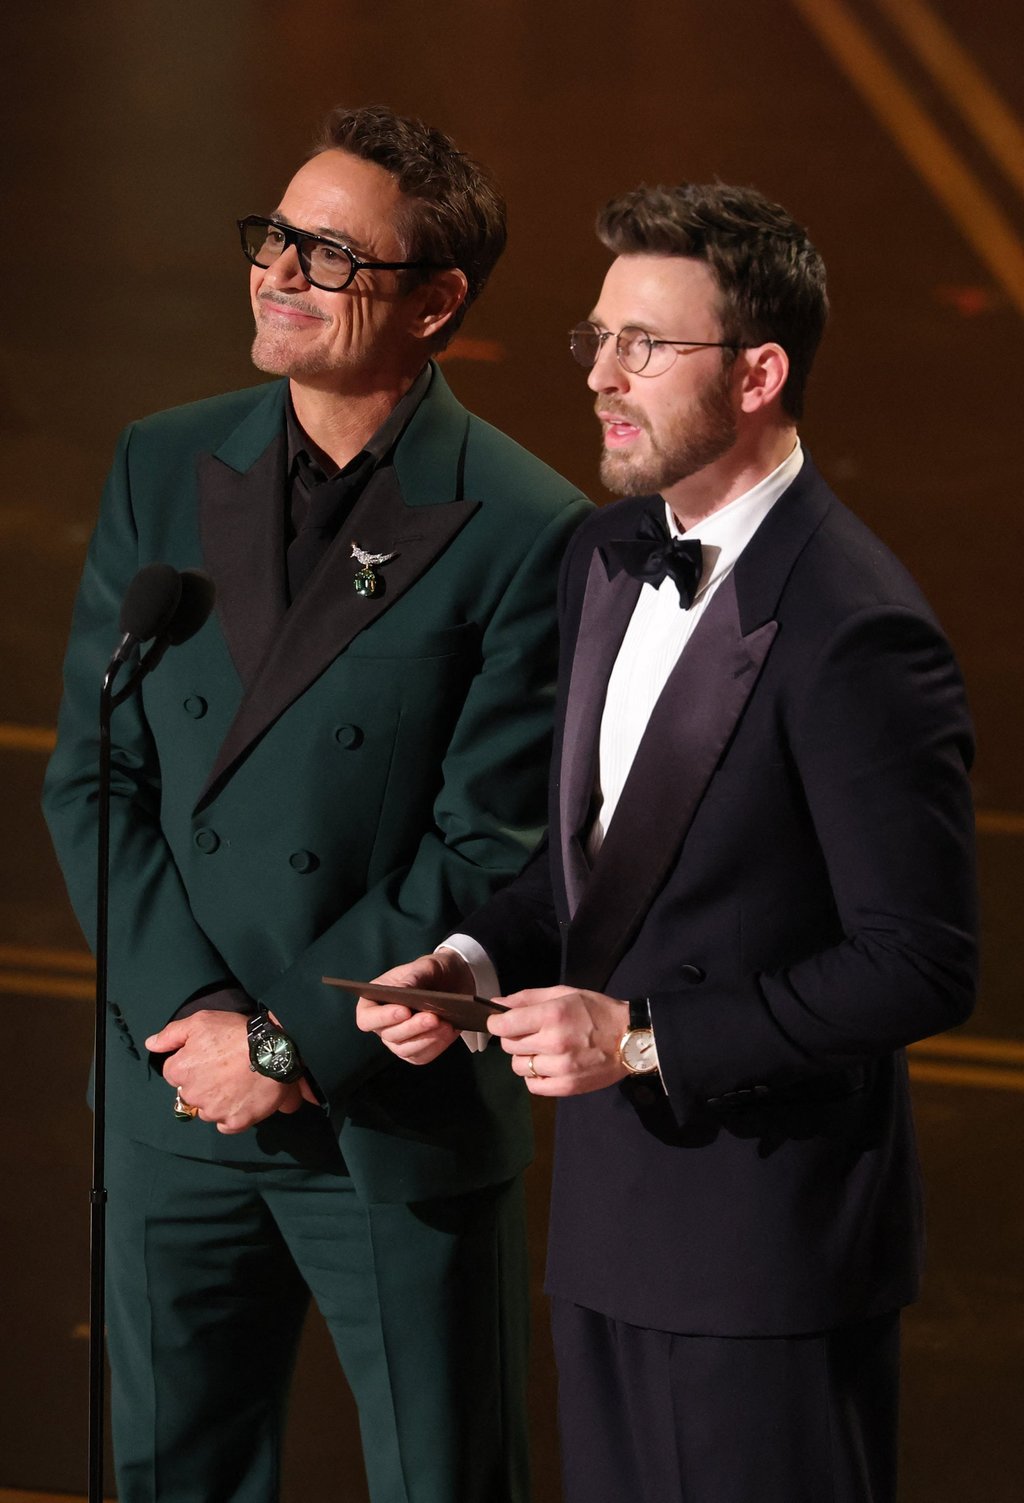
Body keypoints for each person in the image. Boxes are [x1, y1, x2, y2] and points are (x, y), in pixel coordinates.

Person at [357, 182, 978, 1503]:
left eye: (648, 344)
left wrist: (639, 1037)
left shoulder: (855, 627)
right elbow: (592, 868)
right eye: (598, 338)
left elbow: (919, 963)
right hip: (610, 1230)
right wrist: (471, 959)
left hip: (766, 1255)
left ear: (760, 373)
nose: (602, 375)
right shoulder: (607, 555)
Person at [42, 104, 590, 1503]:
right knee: (176, 1475)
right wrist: (198, 1032)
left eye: (330, 253)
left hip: (379, 1121)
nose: (279, 272)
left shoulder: (526, 528)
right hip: (177, 1099)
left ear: (437, 303)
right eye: (277, 235)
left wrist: (282, 1044)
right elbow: (95, 774)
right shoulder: (163, 465)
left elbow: (491, 846)